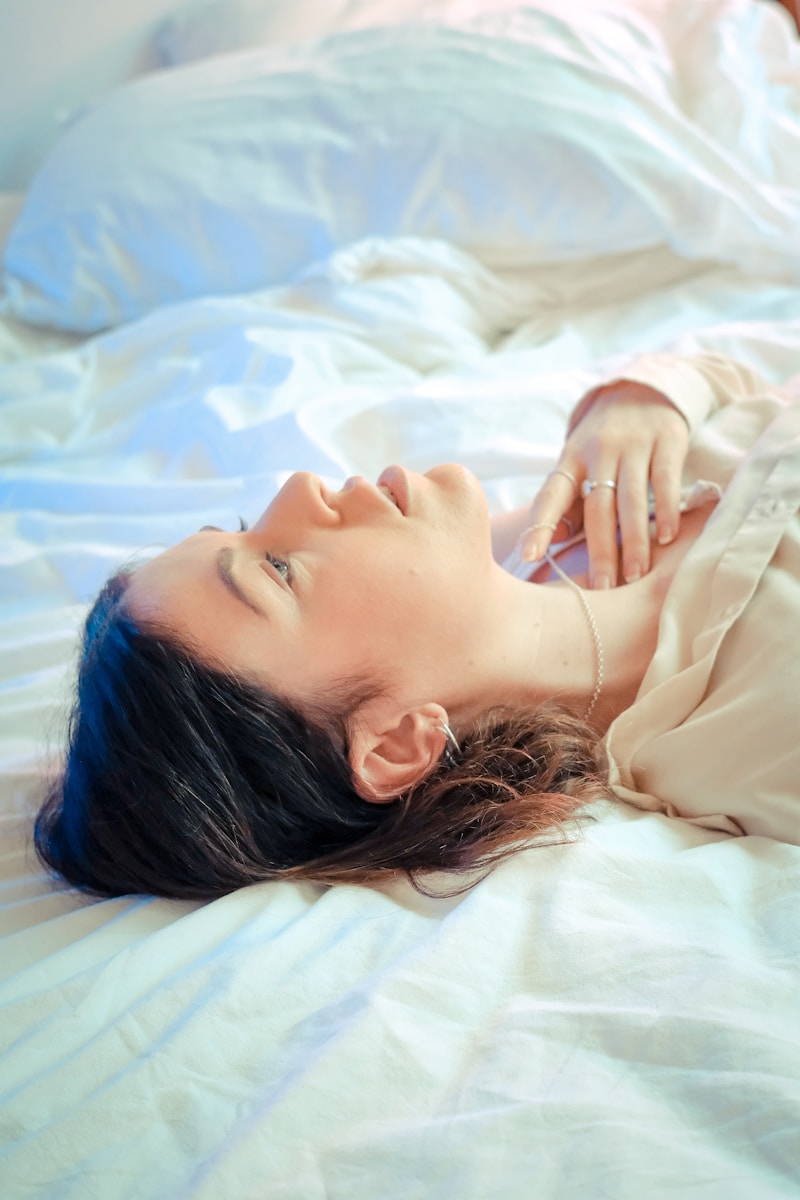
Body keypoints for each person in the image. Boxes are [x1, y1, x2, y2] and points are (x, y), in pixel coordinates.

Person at [34, 348, 800, 900]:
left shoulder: (546, 541)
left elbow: (746, 371)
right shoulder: (749, 731)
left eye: (242, 525)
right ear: (398, 740)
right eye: (277, 568)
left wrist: (650, 392)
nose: (301, 488)